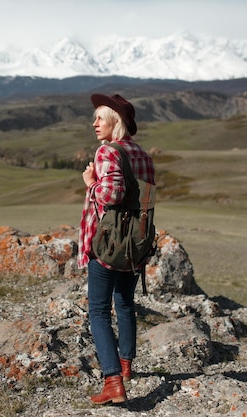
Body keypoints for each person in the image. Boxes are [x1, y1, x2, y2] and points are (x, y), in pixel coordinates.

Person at [78, 93, 155, 405]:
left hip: (108, 244)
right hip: (135, 242)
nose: (94, 123)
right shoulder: (144, 156)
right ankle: (126, 367)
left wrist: (90, 183)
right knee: (124, 303)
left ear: (115, 122)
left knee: (97, 310)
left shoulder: (108, 152)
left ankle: (113, 382)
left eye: (100, 118)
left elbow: (111, 195)